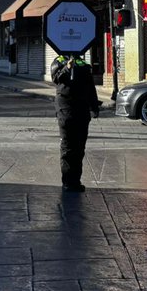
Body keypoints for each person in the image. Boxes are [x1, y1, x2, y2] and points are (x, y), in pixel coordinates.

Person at [50, 52, 100, 192]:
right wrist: (67, 67)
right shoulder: (58, 61)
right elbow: (56, 79)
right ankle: (67, 182)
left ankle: (76, 181)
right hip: (66, 110)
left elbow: (90, 87)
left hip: (82, 110)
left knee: (79, 148)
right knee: (68, 147)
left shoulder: (82, 63)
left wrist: (94, 106)